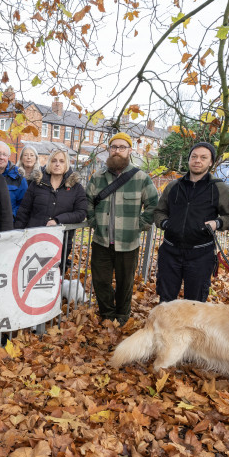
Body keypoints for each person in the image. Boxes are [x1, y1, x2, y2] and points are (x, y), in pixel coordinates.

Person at [153, 142, 229, 303]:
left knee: (195, 302)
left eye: (203, 157)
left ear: (211, 162)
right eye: (194, 157)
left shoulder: (218, 188)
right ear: (189, 160)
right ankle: (165, 329)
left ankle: (190, 329)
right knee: (166, 300)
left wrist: (217, 223)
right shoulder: (174, 186)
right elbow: (159, 211)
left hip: (200, 254)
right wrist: (165, 224)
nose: (197, 160)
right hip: (170, 252)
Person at [86, 132, 160, 324]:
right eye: (114, 147)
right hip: (101, 240)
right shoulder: (98, 177)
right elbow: (87, 202)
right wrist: (94, 221)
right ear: (109, 150)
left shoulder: (141, 178)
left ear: (129, 151)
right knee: (101, 281)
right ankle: (107, 315)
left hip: (128, 242)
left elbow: (153, 204)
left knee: (125, 283)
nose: (117, 151)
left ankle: (122, 315)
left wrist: (140, 225)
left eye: (121, 147)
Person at [16, 148, 87, 273]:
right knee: (30, 275)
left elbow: (81, 213)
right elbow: (24, 210)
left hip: (60, 241)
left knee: (53, 278)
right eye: (54, 161)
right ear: (49, 163)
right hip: (34, 239)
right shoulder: (37, 184)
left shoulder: (76, 188)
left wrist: (58, 220)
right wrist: (17, 234)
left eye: (61, 161)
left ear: (66, 164)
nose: (57, 164)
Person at [0, 141, 28, 217]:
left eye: (4, 154)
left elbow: (24, 204)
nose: (1, 157)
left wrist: (11, 215)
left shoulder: (18, 177)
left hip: (9, 223)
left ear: (8, 157)